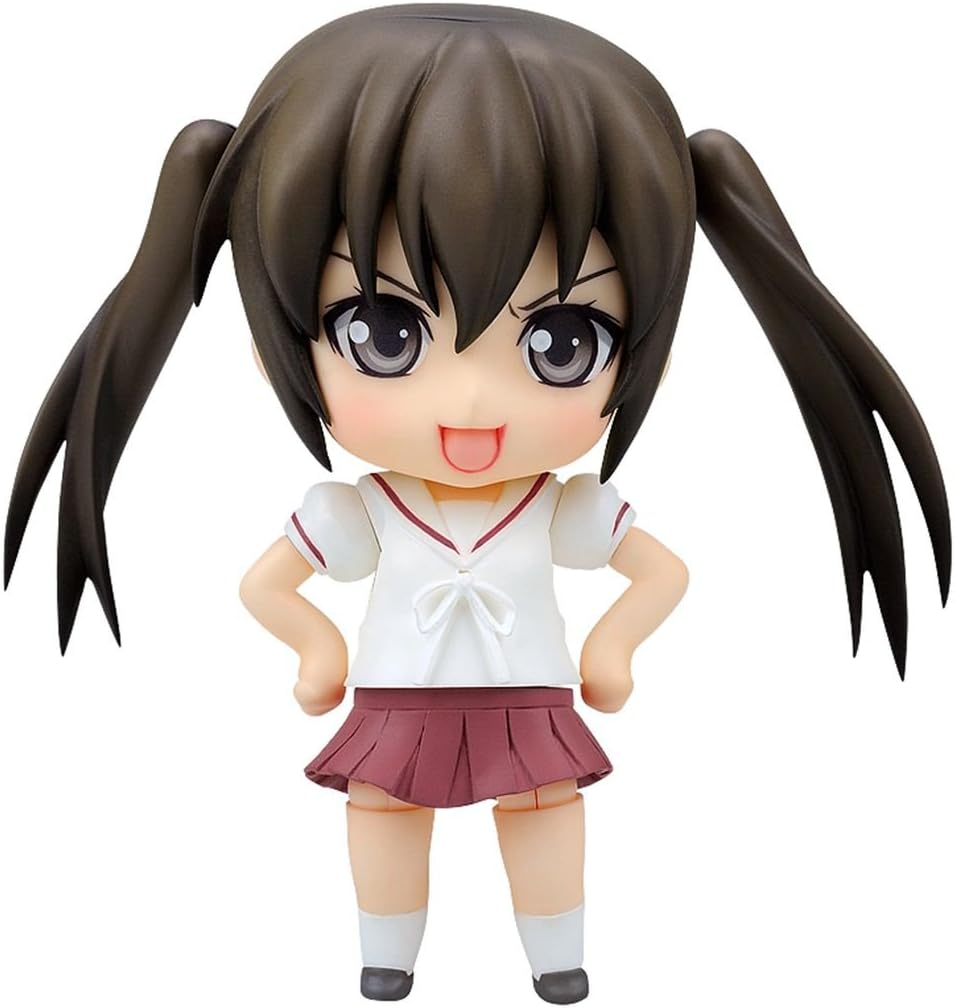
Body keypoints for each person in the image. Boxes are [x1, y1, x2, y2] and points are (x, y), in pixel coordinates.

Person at [4, 5, 949, 1004]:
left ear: (648, 356)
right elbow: (265, 585)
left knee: (543, 811)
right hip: (394, 695)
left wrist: (613, 647)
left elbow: (661, 571)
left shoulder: (556, 505)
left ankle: (556, 959)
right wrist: (316, 649)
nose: (467, 403)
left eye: (563, 342)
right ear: (274, 345)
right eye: (382, 332)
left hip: (528, 695)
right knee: (382, 813)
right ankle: (386, 958)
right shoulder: (365, 508)